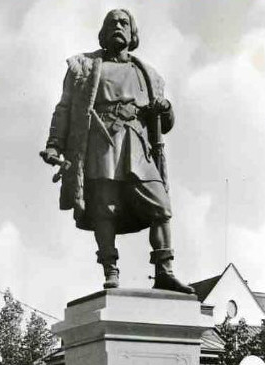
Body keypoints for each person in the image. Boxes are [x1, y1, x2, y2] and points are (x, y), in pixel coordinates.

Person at [42, 9, 194, 294]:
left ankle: (164, 271)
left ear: (133, 32)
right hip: (102, 141)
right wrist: (54, 144)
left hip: (136, 143)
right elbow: (64, 109)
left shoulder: (147, 74)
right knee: (105, 209)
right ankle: (110, 270)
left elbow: (164, 124)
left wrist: (166, 109)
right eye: (112, 23)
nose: (118, 27)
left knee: (161, 206)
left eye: (124, 23)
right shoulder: (83, 67)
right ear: (103, 31)